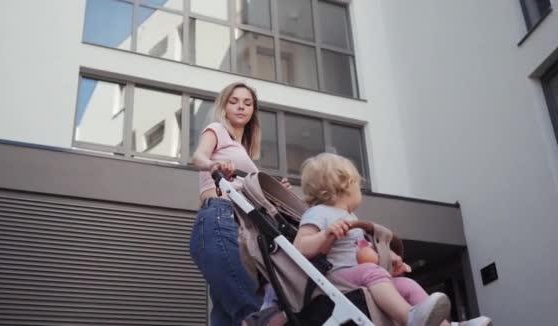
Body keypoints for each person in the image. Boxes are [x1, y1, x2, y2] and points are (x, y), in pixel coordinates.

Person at [294, 152, 492, 326]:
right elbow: (300, 247)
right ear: (344, 186)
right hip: (335, 279)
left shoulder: (351, 218)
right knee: (372, 271)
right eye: (358, 186)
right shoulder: (318, 213)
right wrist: (325, 233)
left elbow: (362, 253)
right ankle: (409, 318)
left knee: (407, 285)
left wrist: (389, 259)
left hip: (358, 276)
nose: (359, 191)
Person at [189, 82, 290, 326]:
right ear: (224, 105)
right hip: (220, 217)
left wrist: (274, 192)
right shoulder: (217, 130)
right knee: (253, 311)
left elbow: (251, 194)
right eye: (234, 101)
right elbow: (198, 156)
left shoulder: (242, 151)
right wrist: (212, 165)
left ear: (253, 111)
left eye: (247, 103)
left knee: (226, 316)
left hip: (240, 227)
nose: (241, 107)